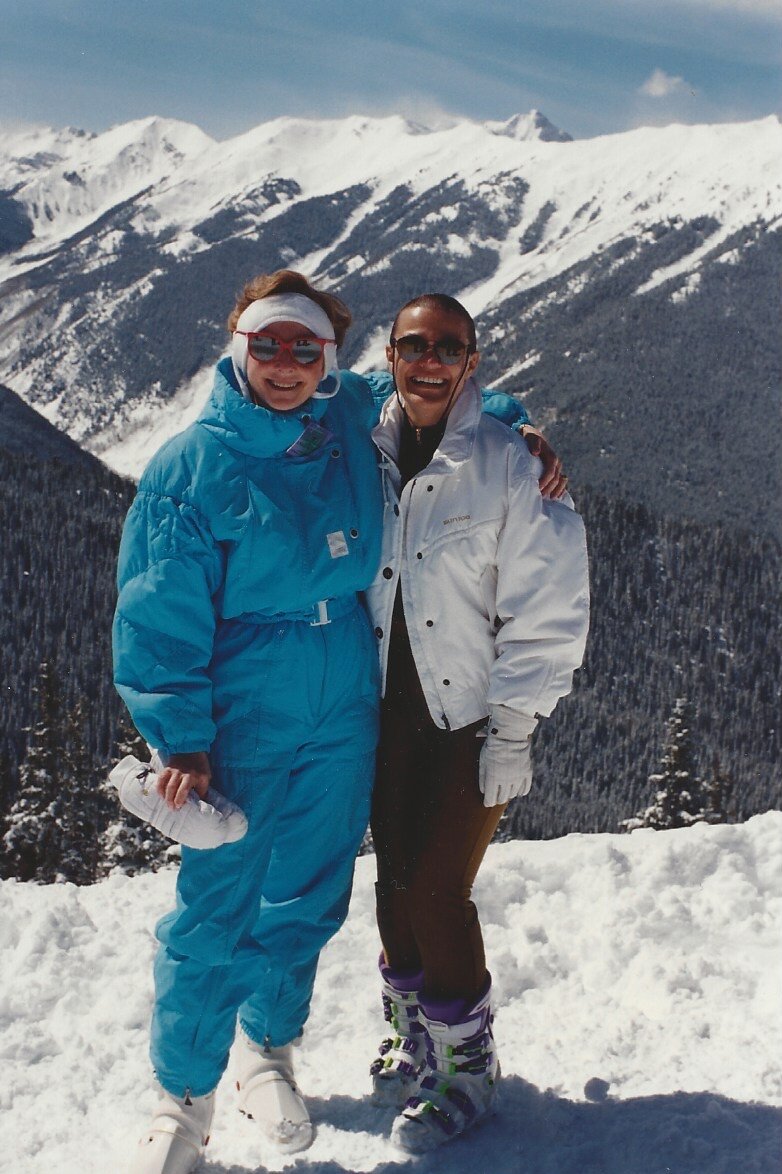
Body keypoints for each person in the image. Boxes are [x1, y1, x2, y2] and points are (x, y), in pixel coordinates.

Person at [113, 271, 562, 1173]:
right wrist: (182, 736)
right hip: (243, 703)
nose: (286, 365)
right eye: (269, 344)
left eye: (305, 348)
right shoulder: (190, 466)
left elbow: (442, 396)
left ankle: (268, 1050)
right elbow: (158, 610)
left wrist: (517, 420)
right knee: (217, 904)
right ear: (240, 346)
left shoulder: (345, 413)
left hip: (346, 696)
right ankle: (182, 1100)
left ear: (329, 357)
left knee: (310, 894)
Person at [365, 294, 590, 1152]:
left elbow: (548, 608)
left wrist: (513, 726)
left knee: (435, 894)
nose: (429, 360)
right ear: (388, 354)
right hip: (388, 715)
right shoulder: (368, 448)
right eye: (414, 344)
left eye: (448, 346)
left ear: (473, 359)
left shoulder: (506, 464)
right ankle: (416, 1028)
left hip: (467, 720)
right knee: (391, 891)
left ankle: (470, 1068)